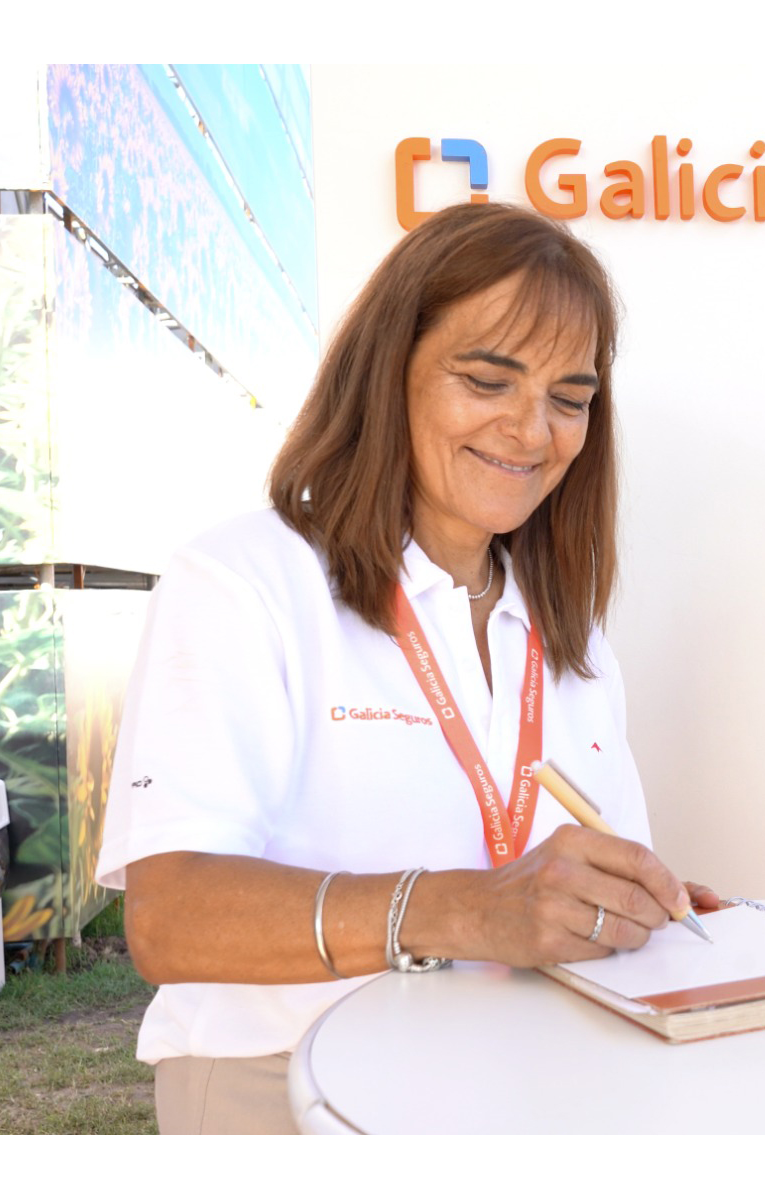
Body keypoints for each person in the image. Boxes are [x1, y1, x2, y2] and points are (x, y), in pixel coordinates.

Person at [95, 204, 717, 1133]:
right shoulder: (244, 581)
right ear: (389, 370)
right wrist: (467, 909)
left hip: (519, 1083)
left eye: (570, 398)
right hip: (286, 1086)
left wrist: (629, 906)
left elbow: (584, 875)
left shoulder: (572, 639)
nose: (532, 430)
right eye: (488, 380)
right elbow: (170, 916)